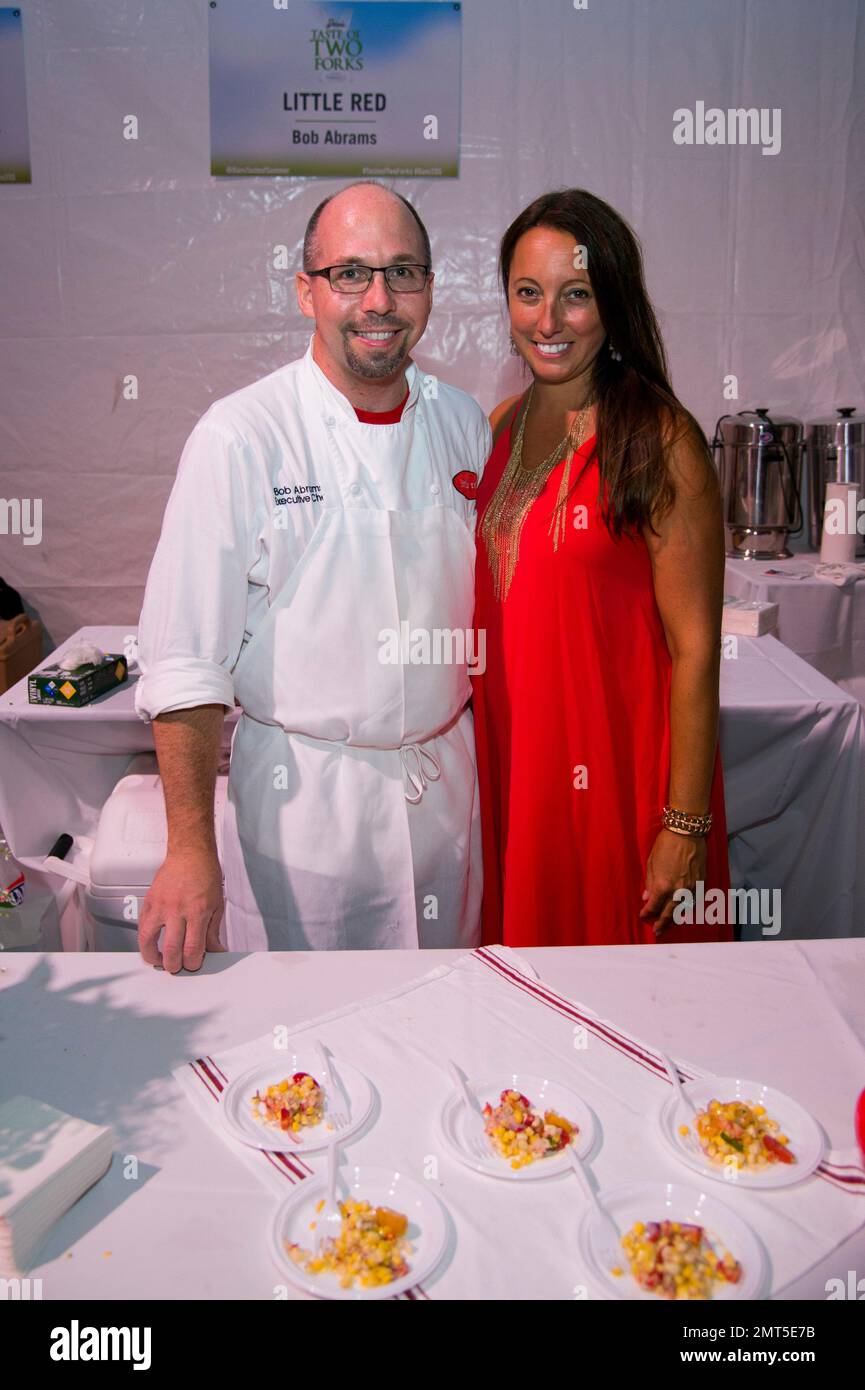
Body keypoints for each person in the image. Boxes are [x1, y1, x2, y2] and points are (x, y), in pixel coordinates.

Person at [133, 181, 490, 969]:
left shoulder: (463, 423)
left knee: (447, 1032)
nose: (379, 299)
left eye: (403, 273)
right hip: (303, 823)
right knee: (305, 1058)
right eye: (349, 273)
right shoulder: (242, 436)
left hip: (445, 811)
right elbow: (185, 661)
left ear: (430, 288)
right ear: (306, 290)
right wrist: (189, 850)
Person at [472, 189, 731, 946]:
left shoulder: (659, 437)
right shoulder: (498, 427)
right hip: (519, 769)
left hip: (614, 776)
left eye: (573, 295)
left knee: (632, 1015)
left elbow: (695, 648)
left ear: (611, 302)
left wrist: (682, 826)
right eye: (527, 293)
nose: (546, 321)